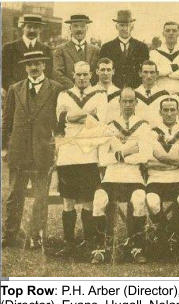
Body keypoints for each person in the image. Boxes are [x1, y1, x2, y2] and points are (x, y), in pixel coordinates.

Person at [2, 51, 64, 248]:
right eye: (30, 64)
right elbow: (7, 121)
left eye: (37, 63)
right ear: (25, 67)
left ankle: (35, 236)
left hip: (42, 152)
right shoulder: (15, 89)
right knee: (14, 195)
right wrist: (4, 147)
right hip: (19, 151)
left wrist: (56, 148)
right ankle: (9, 234)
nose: (34, 68)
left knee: (40, 197)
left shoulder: (56, 89)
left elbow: (60, 125)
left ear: (44, 66)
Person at [90, 88, 151, 264]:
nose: (127, 104)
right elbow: (103, 158)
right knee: (99, 199)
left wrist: (118, 154)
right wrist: (128, 152)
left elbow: (145, 155)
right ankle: (101, 248)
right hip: (111, 178)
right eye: (124, 101)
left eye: (131, 101)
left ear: (136, 103)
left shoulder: (143, 126)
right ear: (119, 102)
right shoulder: (109, 127)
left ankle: (136, 247)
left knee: (139, 199)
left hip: (134, 178)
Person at [54, 61, 108, 256]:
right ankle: (69, 243)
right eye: (79, 74)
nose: (82, 78)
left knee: (87, 201)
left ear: (91, 74)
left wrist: (72, 117)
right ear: (73, 75)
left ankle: (89, 241)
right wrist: (86, 115)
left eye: (86, 74)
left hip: (89, 154)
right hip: (68, 155)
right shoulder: (63, 95)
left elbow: (99, 121)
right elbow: (60, 120)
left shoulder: (100, 95)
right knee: (68, 202)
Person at [146, 97, 179, 249]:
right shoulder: (151, 132)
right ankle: (172, 234)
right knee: (152, 203)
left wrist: (161, 158)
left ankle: (167, 232)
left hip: (178, 178)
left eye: (172, 109)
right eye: (165, 110)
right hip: (154, 179)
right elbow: (147, 161)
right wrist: (174, 160)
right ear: (160, 112)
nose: (169, 113)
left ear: (178, 112)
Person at [2, 14, 53, 93]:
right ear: (22, 28)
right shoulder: (9, 48)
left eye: (35, 27)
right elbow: (4, 75)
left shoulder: (46, 50)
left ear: (40, 29)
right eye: (29, 27)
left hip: (39, 95)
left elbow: (49, 74)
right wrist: (19, 91)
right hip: (15, 94)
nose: (32, 30)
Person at [98, 10, 149, 88]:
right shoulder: (106, 47)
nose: (125, 28)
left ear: (132, 27)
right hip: (113, 89)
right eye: (122, 25)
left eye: (127, 25)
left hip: (135, 89)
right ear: (116, 27)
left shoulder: (142, 47)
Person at [53, 14, 99, 89]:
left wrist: (90, 89)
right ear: (70, 28)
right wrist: (75, 89)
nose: (79, 29)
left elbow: (97, 73)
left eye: (82, 26)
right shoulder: (60, 50)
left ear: (87, 28)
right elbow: (57, 74)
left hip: (91, 93)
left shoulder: (96, 50)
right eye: (75, 26)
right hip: (69, 93)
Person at [149, 21, 179, 92]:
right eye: (168, 30)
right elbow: (154, 72)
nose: (171, 33)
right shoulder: (154, 53)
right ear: (163, 33)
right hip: (160, 91)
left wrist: (167, 74)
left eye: (174, 31)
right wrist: (174, 67)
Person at [134, 60, 170, 126]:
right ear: (140, 73)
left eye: (152, 72)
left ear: (157, 74)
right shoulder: (133, 94)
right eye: (145, 72)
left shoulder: (164, 95)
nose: (149, 76)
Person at [92, 58, 121, 122]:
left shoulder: (119, 93)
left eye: (108, 70)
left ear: (113, 71)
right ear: (97, 71)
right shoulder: (90, 92)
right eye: (102, 70)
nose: (106, 73)